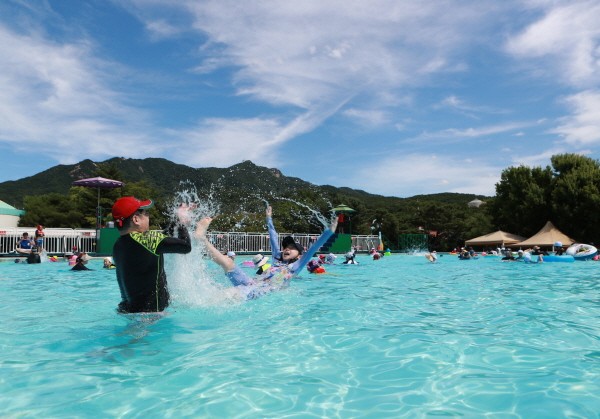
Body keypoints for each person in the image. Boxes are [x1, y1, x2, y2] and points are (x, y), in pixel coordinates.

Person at [195, 205, 338, 300]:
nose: (287, 249)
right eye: (286, 247)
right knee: (228, 262)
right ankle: (202, 238)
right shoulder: (277, 259)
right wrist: (269, 218)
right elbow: (273, 237)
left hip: (261, 291)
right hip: (251, 282)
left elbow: (313, 248)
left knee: (229, 294)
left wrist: (329, 232)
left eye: (292, 248)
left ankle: (201, 301)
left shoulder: (295, 267)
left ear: (300, 255)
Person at [111, 196, 195, 313]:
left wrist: (175, 220)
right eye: (146, 213)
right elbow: (186, 246)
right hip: (151, 315)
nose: (148, 216)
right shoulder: (149, 240)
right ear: (136, 220)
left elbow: (165, 238)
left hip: (127, 311)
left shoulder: (118, 245)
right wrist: (182, 222)